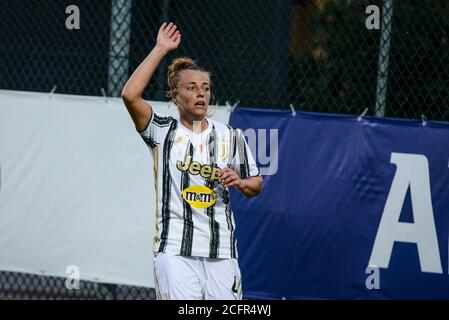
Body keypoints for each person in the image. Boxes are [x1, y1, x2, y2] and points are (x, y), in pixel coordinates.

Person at [121, 22, 263, 300]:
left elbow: (256, 185)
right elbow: (129, 95)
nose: (201, 94)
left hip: (222, 252)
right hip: (175, 252)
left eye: (206, 88)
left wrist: (241, 182)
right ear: (175, 97)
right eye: (192, 88)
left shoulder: (231, 136)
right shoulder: (162, 131)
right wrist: (160, 49)